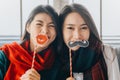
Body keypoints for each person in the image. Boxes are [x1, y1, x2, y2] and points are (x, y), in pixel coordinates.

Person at [58, 3, 120, 80]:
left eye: (83, 28)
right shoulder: (53, 60)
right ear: (61, 30)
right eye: (70, 28)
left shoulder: (106, 53)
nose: (77, 36)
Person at [0, 4, 60, 80]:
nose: (45, 31)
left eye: (51, 25)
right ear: (28, 27)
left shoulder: (60, 62)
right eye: (39, 24)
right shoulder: (5, 55)